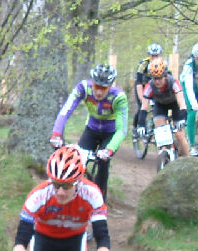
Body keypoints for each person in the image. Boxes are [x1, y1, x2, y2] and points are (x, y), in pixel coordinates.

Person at [49, 64, 128, 202]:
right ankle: (72, 192)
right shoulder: (83, 88)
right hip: (91, 129)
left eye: (103, 88)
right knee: (77, 160)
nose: (98, 92)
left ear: (110, 86)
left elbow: (122, 130)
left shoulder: (119, 97)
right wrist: (56, 134)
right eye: (96, 86)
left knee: (103, 165)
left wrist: (109, 150)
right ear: (92, 82)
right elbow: (65, 111)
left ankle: (100, 201)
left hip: (110, 133)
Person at [136, 57, 189, 157]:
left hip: (175, 105)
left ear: (165, 76)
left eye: (160, 78)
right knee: (160, 133)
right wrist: (142, 124)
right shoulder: (149, 86)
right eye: (154, 78)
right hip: (160, 105)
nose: (157, 81)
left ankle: (188, 161)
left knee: (179, 135)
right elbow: (144, 107)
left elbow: (182, 103)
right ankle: (163, 157)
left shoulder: (173, 82)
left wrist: (183, 118)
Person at [133, 43, 164, 133]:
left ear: (160, 55)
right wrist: (141, 98)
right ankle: (135, 127)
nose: (154, 58)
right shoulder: (143, 64)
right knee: (142, 107)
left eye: (156, 56)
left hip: (154, 87)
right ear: (149, 55)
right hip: (142, 86)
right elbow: (138, 82)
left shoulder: (163, 64)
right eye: (152, 56)